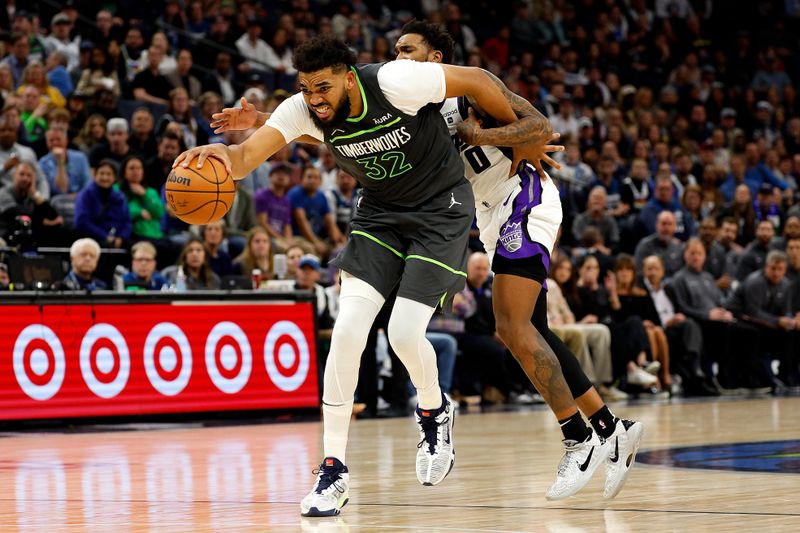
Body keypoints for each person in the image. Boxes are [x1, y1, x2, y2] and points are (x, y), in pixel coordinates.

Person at [212, 24, 639, 504]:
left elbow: (534, 123)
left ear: (434, 57)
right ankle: (609, 426)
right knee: (527, 328)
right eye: (395, 52)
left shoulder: (452, 93)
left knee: (513, 326)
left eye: (407, 51)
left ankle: (579, 438)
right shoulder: (400, 98)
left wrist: (500, 134)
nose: (398, 58)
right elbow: (342, 129)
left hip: (520, 198)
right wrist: (266, 120)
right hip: (472, 213)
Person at [176, 35, 535, 516]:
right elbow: (244, 160)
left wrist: (518, 132)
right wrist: (221, 154)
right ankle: (333, 470)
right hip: (379, 216)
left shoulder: (395, 80)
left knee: (405, 333)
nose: (314, 99)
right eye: (306, 89)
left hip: (440, 211)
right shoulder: (302, 109)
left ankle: (433, 409)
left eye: (322, 87)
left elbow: (477, 79)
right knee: (346, 332)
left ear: (349, 77)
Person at [74, 159, 131, 249]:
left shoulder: (120, 196)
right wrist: (105, 236)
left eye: (109, 174)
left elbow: (127, 222)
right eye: (101, 173)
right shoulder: (86, 194)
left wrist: (121, 237)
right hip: (93, 237)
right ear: (95, 175)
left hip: (117, 238)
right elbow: (81, 222)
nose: (105, 177)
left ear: (114, 177)